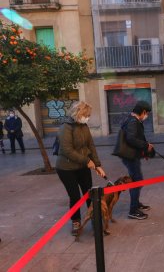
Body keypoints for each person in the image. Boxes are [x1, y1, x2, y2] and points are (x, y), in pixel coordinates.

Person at [56, 101, 106, 236]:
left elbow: (91, 146)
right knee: (75, 196)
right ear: (77, 113)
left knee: (89, 193)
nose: (87, 117)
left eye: (88, 115)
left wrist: (97, 164)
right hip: (66, 168)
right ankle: (76, 221)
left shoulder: (84, 126)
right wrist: (87, 161)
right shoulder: (65, 127)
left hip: (82, 166)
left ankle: (95, 219)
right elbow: (67, 150)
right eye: (86, 114)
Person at [120, 101, 154, 220]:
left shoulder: (132, 120)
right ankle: (133, 210)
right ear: (143, 112)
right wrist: (145, 146)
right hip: (130, 157)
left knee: (136, 180)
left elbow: (134, 138)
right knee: (137, 181)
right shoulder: (133, 122)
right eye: (147, 113)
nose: (147, 116)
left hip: (132, 155)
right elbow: (131, 139)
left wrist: (142, 151)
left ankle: (136, 203)